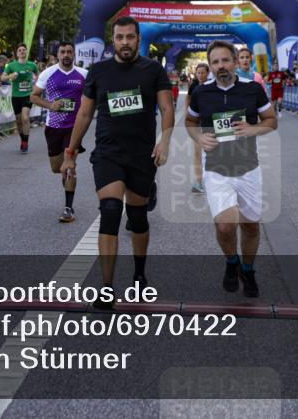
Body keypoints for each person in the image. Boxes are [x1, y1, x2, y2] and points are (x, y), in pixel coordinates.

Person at [60, 16, 174, 308]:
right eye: (120, 38)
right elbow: (84, 115)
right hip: (109, 152)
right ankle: (107, 288)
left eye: (130, 37)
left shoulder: (152, 71)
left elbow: (166, 107)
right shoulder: (98, 72)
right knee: (110, 210)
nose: (125, 42)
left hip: (141, 155)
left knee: (137, 217)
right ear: (114, 40)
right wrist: (70, 153)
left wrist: (165, 141)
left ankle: (139, 274)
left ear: (138, 39)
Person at [185, 40, 277, 297]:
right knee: (225, 226)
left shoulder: (252, 89)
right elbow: (190, 121)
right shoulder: (202, 92)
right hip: (216, 168)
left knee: (250, 226)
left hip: (248, 168)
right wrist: (199, 138)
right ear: (210, 66)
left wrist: (252, 129)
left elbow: (271, 120)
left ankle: (247, 269)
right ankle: (231, 262)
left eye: (225, 60)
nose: (220, 66)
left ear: (236, 62)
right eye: (215, 62)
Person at [31, 42, 88, 223]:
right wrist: (50, 105)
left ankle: (68, 208)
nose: (66, 55)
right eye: (63, 52)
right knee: (57, 168)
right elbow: (33, 96)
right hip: (54, 127)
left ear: (74, 54)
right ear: (57, 54)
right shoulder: (48, 73)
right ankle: (65, 175)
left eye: (69, 52)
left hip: (74, 128)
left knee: (70, 165)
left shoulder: (83, 74)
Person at [3, 43, 38, 153]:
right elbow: (2, 77)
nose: (22, 51)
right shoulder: (11, 65)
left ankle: (25, 142)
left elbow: (39, 76)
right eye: (20, 50)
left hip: (27, 95)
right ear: (17, 53)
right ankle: (23, 139)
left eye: (24, 50)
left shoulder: (32, 65)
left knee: (25, 118)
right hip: (16, 96)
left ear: (26, 52)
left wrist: (36, 83)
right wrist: (10, 76)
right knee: (18, 121)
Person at [185, 62, 211, 193]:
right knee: (197, 153)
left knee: (211, 151)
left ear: (208, 73)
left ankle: (216, 179)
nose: (201, 75)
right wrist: (188, 114)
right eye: (198, 73)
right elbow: (188, 99)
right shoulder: (194, 85)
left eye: (203, 72)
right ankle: (198, 182)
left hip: (210, 124)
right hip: (197, 123)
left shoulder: (213, 85)